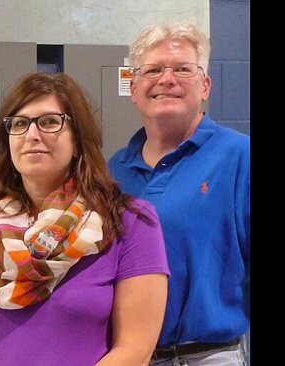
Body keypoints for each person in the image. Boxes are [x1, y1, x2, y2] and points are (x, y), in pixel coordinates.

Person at [0, 72, 169, 365]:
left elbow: (135, 347)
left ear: (78, 139)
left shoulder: (130, 221)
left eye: (49, 122)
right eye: (19, 124)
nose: (33, 135)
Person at [109, 22, 250, 365]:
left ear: (205, 86)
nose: (166, 79)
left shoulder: (239, 157)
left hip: (209, 355)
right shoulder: (112, 171)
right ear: (133, 87)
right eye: (153, 70)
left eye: (182, 69)